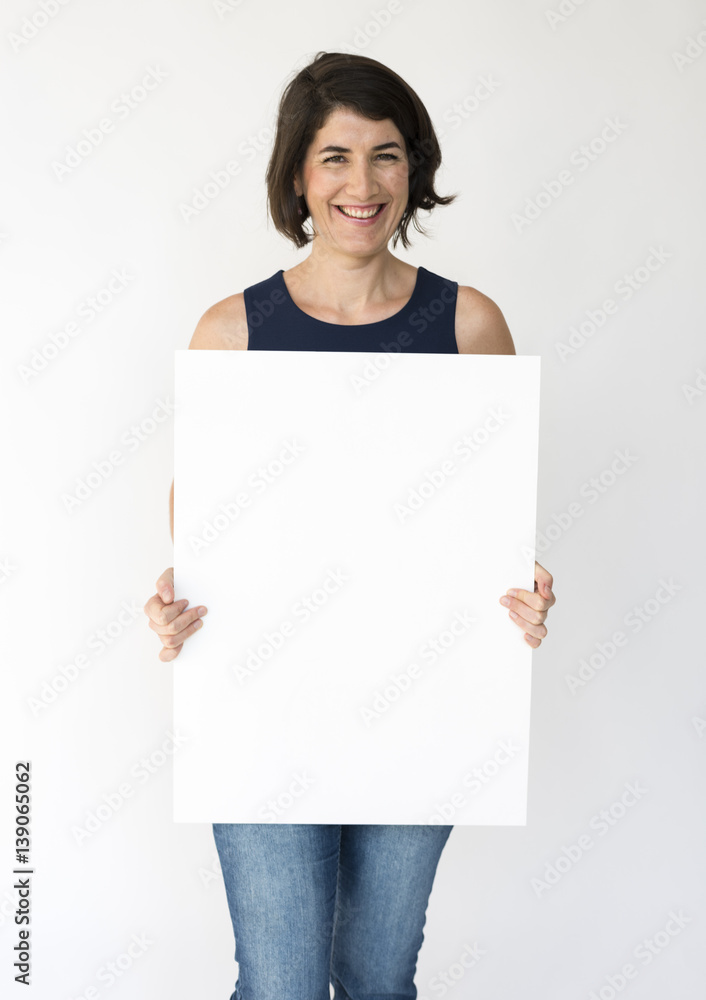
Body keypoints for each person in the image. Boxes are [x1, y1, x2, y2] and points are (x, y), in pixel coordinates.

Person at [143, 51, 556, 1000]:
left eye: (385, 154)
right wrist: (169, 606)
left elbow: (490, 526)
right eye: (334, 157)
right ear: (298, 173)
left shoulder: (469, 325)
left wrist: (526, 594)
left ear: (414, 169)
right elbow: (197, 538)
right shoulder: (230, 332)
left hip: (424, 703)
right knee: (282, 982)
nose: (361, 184)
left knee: (376, 978)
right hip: (261, 709)